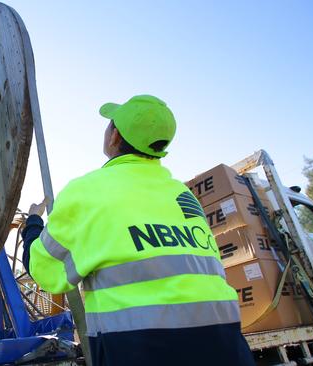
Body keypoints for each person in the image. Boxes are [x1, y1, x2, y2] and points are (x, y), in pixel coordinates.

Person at [21, 95, 254, 365]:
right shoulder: (181, 193)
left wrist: (33, 223)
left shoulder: (87, 192)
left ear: (115, 137)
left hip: (141, 348)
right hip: (226, 345)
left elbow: (45, 271)